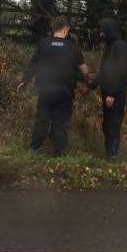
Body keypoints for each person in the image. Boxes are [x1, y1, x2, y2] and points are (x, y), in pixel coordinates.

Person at [17, 17, 88, 157]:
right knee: (60, 123)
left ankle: (34, 149)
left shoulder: (43, 44)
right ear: (66, 29)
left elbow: (33, 65)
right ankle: (59, 153)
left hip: (45, 90)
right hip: (64, 91)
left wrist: (24, 81)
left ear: (53, 28)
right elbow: (84, 71)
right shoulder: (73, 48)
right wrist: (89, 81)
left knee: (41, 120)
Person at [89, 18, 127, 160]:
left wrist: (112, 94)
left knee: (113, 123)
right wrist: (93, 83)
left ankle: (113, 154)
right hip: (106, 91)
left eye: (103, 31)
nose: (101, 34)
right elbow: (104, 70)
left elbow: (120, 71)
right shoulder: (109, 46)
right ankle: (108, 153)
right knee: (107, 123)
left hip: (115, 93)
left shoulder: (120, 46)